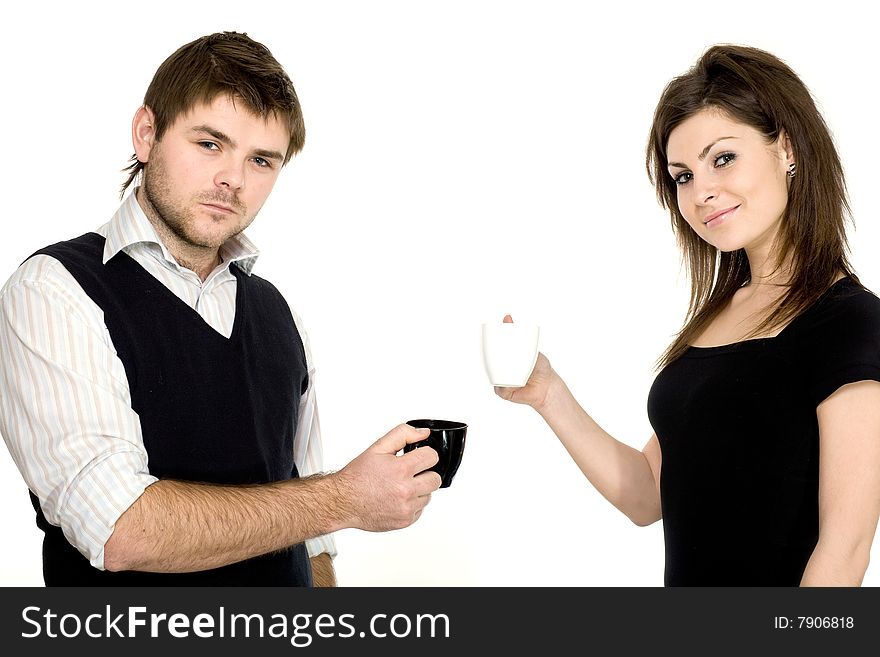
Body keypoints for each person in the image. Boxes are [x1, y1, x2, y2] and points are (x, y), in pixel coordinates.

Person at [0, 31, 442, 586]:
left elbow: (311, 536)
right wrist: (347, 498)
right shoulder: (55, 291)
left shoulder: (278, 313)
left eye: (261, 160)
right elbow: (119, 528)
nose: (233, 179)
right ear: (146, 133)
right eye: (210, 144)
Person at [496, 44, 880, 586]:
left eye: (723, 159)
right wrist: (549, 394)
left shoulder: (850, 323)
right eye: (682, 176)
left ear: (787, 148)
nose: (702, 192)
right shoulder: (717, 318)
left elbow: (845, 553)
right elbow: (646, 494)